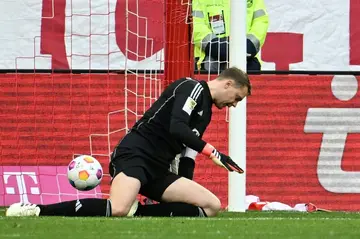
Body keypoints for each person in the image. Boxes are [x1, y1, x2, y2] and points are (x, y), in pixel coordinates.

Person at [6, 67, 251, 218]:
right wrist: (214, 152)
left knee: (211, 206)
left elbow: (188, 152)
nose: (235, 104)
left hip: (159, 168)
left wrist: (185, 185)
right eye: (237, 98)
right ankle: (38, 209)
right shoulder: (192, 88)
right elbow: (177, 127)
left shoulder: (207, 111)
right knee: (118, 209)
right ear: (228, 84)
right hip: (136, 154)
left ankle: (141, 211)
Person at [192, 0, 269, 72]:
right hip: (209, 59)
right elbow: (196, 24)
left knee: (249, 81)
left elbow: (261, 21)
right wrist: (213, 45)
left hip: (247, 58)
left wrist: (250, 44)